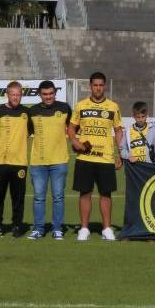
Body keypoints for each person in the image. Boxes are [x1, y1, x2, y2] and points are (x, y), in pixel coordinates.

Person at [67, 72, 123, 242]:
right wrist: (75, 142)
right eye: (95, 85)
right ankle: (84, 229)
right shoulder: (81, 106)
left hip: (105, 157)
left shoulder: (113, 107)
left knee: (106, 194)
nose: (98, 88)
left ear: (104, 86)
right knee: (85, 193)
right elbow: (71, 128)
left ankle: (106, 228)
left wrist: (120, 153)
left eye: (101, 85)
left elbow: (119, 130)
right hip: (85, 158)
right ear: (90, 86)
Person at [0, 81, 33, 238]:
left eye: (18, 94)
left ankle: (16, 226)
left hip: (19, 163)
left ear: (21, 95)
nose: (15, 97)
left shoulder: (26, 113)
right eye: (13, 94)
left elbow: (33, 133)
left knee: (18, 198)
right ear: (7, 94)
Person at [28, 80, 71, 240]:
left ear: (55, 93)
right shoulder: (32, 111)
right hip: (38, 162)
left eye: (51, 93)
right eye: (45, 94)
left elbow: (72, 129)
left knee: (58, 196)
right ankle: (38, 229)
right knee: (39, 197)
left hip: (59, 161)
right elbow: (28, 132)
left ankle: (57, 228)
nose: (48, 97)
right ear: (40, 94)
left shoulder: (65, 108)